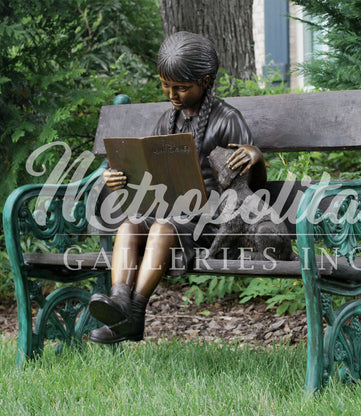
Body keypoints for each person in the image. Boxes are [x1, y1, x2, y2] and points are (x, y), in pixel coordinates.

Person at [88, 31, 267, 344]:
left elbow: (253, 189)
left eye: (182, 87)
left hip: (212, 222)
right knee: (129, 225)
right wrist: (121, 180)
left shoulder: (227, 119)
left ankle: (136, 313)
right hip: (168, 211)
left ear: (206, 81)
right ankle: (119, 303)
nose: (172, 94)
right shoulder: (166, 121)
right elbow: (149, 179)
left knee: (161, 226)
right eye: (166, 85)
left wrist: (255, 157)